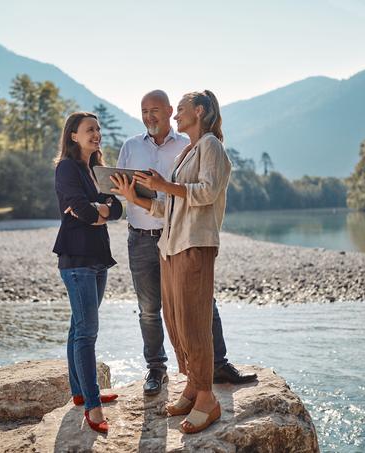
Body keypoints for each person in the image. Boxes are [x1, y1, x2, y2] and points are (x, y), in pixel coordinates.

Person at [112, 90, 240, 434]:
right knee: (176, 321)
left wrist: (163, 184)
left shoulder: (211, 145)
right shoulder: (191, 150)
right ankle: (193, 387)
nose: (177, 116)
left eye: (181, 110)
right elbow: (173, 206)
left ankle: (207, 400)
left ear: (198, 111)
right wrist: (133, 196)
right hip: (171, 245)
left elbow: (207, 192)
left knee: (195, 322)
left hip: (194, 245)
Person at [53, 111, 123, 434]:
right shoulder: (67, 168)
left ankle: (80, 393)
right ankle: (93, 406)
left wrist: (101, 210)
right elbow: (80, 209)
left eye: (97, 129)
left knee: (77, 328)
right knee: (87, 332)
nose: (96, 134)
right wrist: (97, 211)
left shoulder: (97, 170)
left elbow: (119, 207)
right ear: (73, 136)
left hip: (98, 258)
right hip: (77, 259)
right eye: (88, 130)